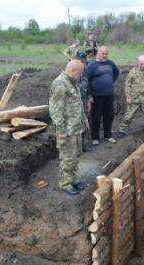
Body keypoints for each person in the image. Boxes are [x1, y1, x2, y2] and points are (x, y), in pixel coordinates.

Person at [49, 60, 89, 195]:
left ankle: (74, 179)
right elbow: (56, 110)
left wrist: (85, 120)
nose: (81, 76)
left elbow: (77, 104)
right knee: (67, 157)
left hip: (76, 128)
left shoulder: (72, 82)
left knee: (76, 155)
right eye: (80, 73)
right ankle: (65, 183)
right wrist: (61, 130)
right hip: (67, 131)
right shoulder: (60, 84)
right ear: (73, 71)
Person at [117, 55, 144, 138]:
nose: (142, 65)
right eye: (141, 63)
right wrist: (128, 96)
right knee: (129, 116)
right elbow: (128, 85)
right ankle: (122, 130)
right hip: (134, 98)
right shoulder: (132, 72)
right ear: (138, 63)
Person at [86, 46, 119, 145]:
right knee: (96, 116)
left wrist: (108, 82)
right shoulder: (92, 65)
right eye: (102, 53)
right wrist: (89, 96)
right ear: (98, 52)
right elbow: (86, 80)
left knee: (109, 116)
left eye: (106, 53)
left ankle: (107, 136)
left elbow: (116, 73)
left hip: (109, 95)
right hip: (96, 96)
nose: (104, 55)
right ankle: (95, 137)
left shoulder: (110, 63)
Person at [75, 52, 92, 152]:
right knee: (76, 126)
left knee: (85, 125)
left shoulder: (85, 77)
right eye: (81, 62)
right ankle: (76, 147)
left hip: (84, 104)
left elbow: (88, 90)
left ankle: (83, 145)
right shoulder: (72, 77)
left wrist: (89, 100)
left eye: (84, 63)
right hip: (75, 106)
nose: (83, 65)